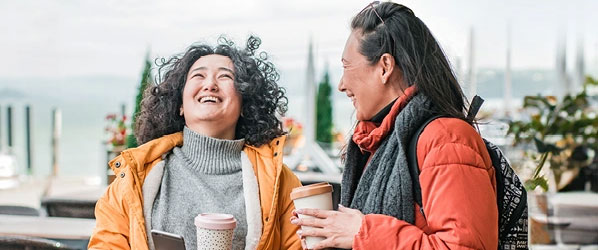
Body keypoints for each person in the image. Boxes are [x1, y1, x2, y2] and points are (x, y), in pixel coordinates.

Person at [291, 2, 498, 249]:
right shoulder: (378, 142)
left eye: (346, 67)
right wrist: (331, 231)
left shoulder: (447, 139)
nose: (341, 85)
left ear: (385, 67)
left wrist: (362, 232)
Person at [89, 36, 302, 250]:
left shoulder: (281, 184)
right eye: (198, 76)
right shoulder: (133, 179)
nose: (210, 84)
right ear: (180, 104)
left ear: (246, 103)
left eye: (225, 77)